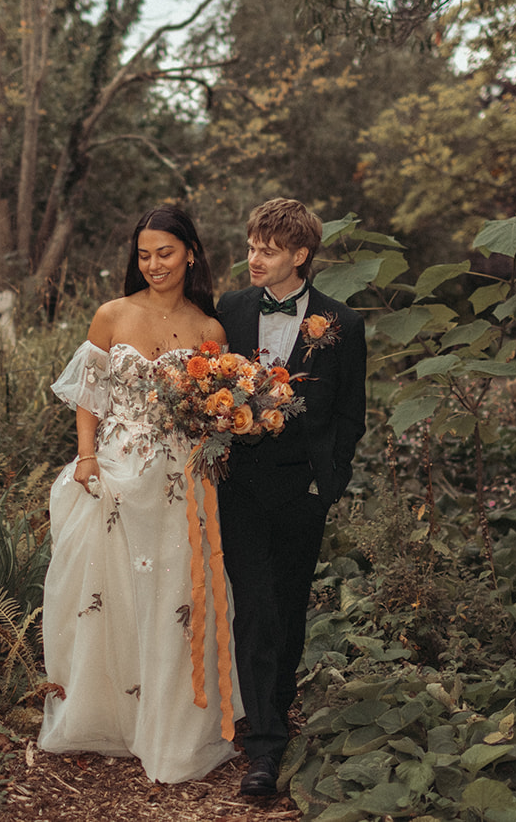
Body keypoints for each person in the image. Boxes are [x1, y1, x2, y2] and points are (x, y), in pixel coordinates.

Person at [40, 205, 241, 783]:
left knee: (174, 596)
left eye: (166, 253)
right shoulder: (112, 315)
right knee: (112, 593)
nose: (153, 264)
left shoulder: (210, 330)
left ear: (191, 254)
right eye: (144, 254)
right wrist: (84, 457)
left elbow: (213, 414)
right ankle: (112, 715)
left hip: (182, 482)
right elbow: (89, 395)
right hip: (115, 474)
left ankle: (170, 724)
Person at [217, 198, 367, 797]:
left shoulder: (343, 324)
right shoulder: (229, 309)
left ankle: (275, 707)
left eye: (268, 250)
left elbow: (351, 413)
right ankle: (264, 748)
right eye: (252, 246)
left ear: (300, 256)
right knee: (253, 606)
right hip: (241, 486)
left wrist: (328, 481)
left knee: (287, 605)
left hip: (302, 489)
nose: (254, 258)